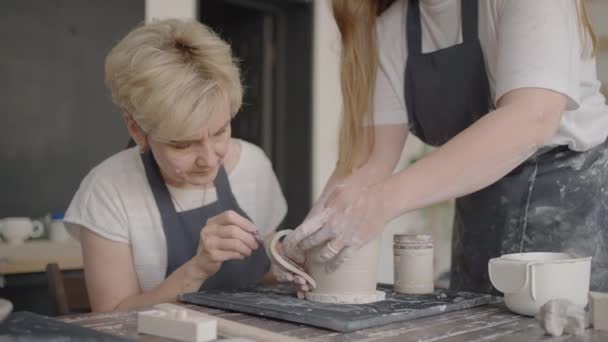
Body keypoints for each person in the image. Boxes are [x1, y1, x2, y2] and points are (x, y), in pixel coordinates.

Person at [278, 0, 608, 294]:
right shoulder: (390, 30)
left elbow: (532, 118)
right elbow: (369, 163)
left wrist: (381, 202)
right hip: (480, 206)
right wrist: (309, 238)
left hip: (574, 199)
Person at [64, 19, 287, 312]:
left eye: (220, 131)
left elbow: (265, 272)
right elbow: (111, 321)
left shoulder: (254, 165)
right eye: (183, 144)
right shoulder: (108, 190)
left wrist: (292, 261)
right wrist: (198, 268)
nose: (209, 159)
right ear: (136, 129)